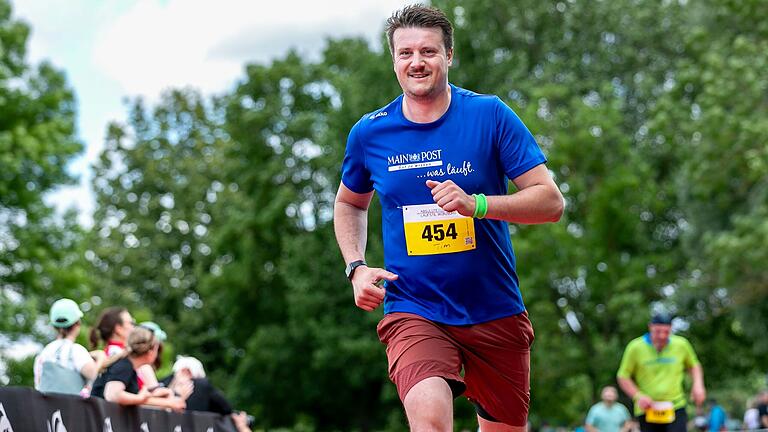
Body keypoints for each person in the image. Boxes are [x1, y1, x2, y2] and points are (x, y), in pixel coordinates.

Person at [333, 5, 564, 431]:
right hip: (414, 307)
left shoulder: (489, 115)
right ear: (394, 60)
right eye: (405, 53)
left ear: (449, 55)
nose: (416, 62)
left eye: (428, 51)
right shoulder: (370, 133)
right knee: (431, 421)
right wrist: (356, 266)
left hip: (494, 309)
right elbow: (350, 203)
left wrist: (477, 205)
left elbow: (550, 202)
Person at [617, 313, 706, 432]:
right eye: (658, 331)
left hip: (675, 405)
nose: (662, 336)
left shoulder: (681, 344)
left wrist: (698, 384)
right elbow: (623, 376)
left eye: (666, 332)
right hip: (647, 408)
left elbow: (694, 365)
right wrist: (638, 396)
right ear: (650, 327)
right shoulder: (635, 347)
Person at [91, 326, 185, 412]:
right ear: (150, 351)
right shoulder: (124, 366)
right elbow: (112, 395)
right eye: (157, 349)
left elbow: (135, 401)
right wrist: (141, 397)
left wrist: (167, 402)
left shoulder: (129, 367)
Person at [33, 298, 107, 395]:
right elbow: (94, 375)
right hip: (71, 407)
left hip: (45, 408)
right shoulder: (76, 351)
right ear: (77, 324)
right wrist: (101, 357)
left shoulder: (43, 354)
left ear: (54, 326)